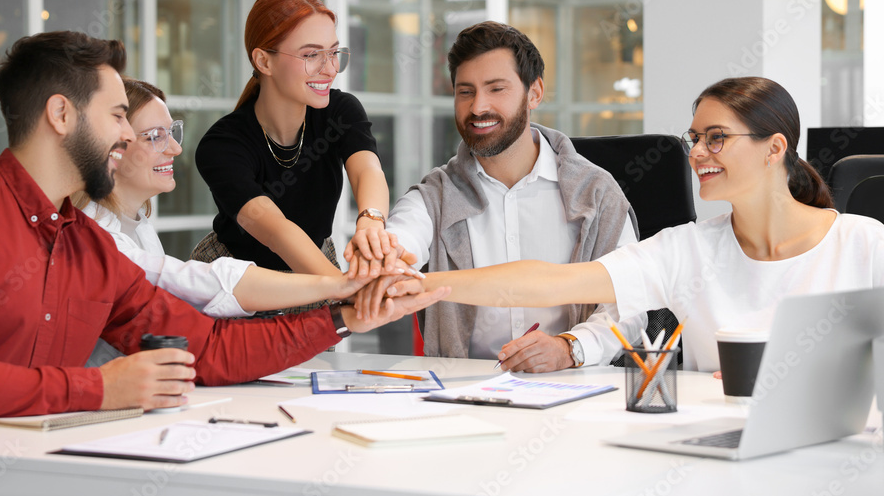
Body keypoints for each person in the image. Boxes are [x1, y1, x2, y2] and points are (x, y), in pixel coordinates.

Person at [0, 31, 446, 424]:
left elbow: (212, 350)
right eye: (116, 116)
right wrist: (99, 388)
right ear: (61, 116)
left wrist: (346, 314)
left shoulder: (89, 245)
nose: (127, 137)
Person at [364, 76, 884, 373]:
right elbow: (550, 280)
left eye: (717, 137)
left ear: (775, 148)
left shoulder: (864, 245)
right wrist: (426, 285)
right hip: (720, 449)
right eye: (694, 138)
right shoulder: (687, 251)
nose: (698, 153)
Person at [348, 21, 643, 371]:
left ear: (534, 93)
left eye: (496, 89)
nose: (477, 107)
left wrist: (570, 348)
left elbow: (630, 301)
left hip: (574, 387)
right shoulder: (435, 196)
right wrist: (383, 256)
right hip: (465, 390)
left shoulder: (596, 193)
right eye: (465, 91)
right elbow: (401, 241)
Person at [74, 77, 374, 323]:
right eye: (155, 136)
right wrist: (341, 285)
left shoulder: (138, 227)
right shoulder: (97, 236)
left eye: (172, 132)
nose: (176, 149)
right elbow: (204, 282)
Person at [193, 0, 400, 285]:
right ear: (264, 61)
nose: (330, 69)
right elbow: (277, 232)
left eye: (333, 53)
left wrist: (371, 221)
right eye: (311, 55)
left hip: (318, 262)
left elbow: (367, 169)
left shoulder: (340, 111)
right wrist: (345, 287)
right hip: (240, 278)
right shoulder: (222, 146)